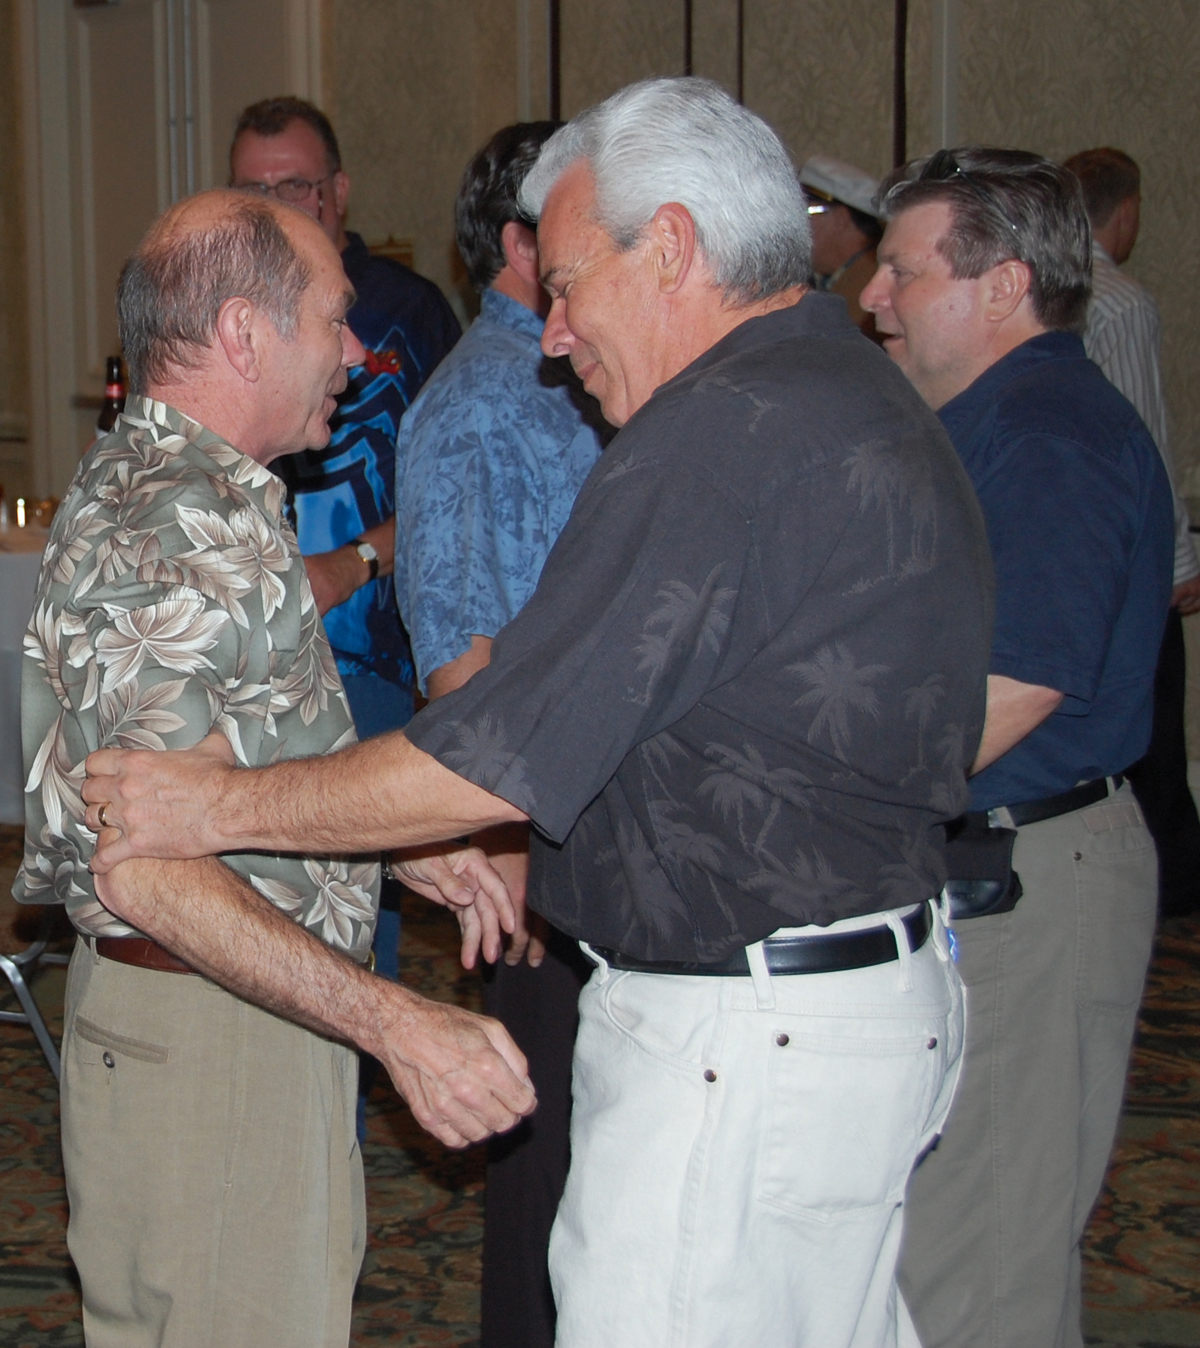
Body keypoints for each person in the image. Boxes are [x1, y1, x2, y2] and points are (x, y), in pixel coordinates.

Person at [86, 77, 994, 1347]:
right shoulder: (834, 384)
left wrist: (222, 805)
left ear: (668, 247)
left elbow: (495, 753)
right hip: (830, 1007)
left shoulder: (719, 439)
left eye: (565, 285)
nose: (552, 335)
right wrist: (408, 855)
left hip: (749, 1041)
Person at [15, 189, 534, 1348]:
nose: (356, 354)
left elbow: (224, 786)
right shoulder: (164, 530)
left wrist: (399, 855)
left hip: (236, 1015)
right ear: (245, 334)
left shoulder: (212, 501)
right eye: (335, 319)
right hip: (212, 1037)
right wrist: (394, 1021)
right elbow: (148, 867)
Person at [860, 146, 1174, 1348]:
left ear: (1003, 286)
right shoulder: (985, 422)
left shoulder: (1048, 433)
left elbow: (1016, 688)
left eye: (901, 270)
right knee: (963, 1247)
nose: (872, 296)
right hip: (986, 866)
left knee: (981, 1265)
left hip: (1029, 874)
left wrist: (824, 803)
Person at [394, 121, 606, 1348]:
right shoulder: (480, 402)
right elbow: (458, 663)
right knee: (545, 1187)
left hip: (589, 840)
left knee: (597, 1185)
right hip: (538, 857)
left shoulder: (573, 379)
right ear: (524, 244)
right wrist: (512, 845)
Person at [230, 96, 462, 1004]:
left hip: (366, 662)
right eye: (254, 189)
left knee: (358, 923)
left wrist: (357, 564)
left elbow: (453, 497)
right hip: (243, 663)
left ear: (338, 189)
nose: (277, 204)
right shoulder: (220, 312)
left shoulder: (406, 313)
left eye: (295, 185)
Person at [1064, 146, 1200, 918]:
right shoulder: (1119, 300)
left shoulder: (1042, 291)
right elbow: (1145, 442)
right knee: (1154, 730)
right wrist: (1178, 560)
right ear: (1127, 211)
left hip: (1078, 553)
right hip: (1128, 557)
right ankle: (1174, 895)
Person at [798, 154, 884, 340]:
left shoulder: (871, 289)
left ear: (841, 219)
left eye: (807, 212)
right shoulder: (834, 281)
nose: (796, 224)